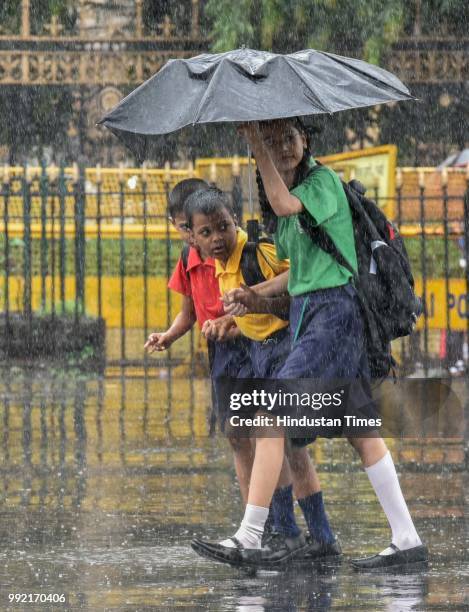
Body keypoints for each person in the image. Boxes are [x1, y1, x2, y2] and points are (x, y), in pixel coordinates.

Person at [231, 117, 428, 570]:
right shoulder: (298, 194)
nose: (282, 147)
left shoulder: (321, 183)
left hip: (334, 315)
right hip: (315, 314)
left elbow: (281, 205)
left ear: (306, 140)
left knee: (269, 411)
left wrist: (256, 144)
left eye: (289, 138)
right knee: (361, 430)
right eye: (274, 139)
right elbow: (298, 272)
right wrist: (254, 295)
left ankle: (250, 534)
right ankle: (407, 538)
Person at [186, 188, 340, 568]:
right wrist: (228, 322)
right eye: (206, 232)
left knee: (284, 441)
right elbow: (248, 311)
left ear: (236, 220)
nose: (216, 238)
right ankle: (312, 537)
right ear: (192, 236)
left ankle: (290, 534)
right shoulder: (219, 265)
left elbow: (297, 278)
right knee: (288, 447)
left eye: (223, 226)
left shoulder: (257, 252)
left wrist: (258, 296)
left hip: (285, 350)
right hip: (260, 352)